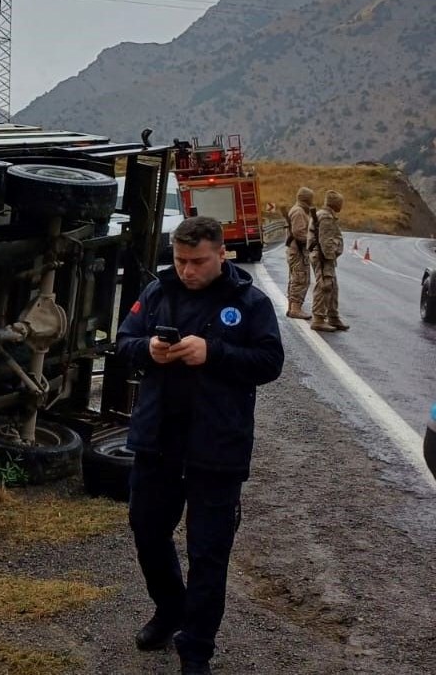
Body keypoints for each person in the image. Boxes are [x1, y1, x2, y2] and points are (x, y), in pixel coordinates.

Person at [117, 217, 283, 675]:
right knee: (147, 532)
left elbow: (270, 362)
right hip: (158, 442)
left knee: (208, 552)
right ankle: (169, 608)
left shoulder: (249, 303)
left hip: (217, 448)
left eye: (198, 262)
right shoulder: (158, 293)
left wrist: (215, 353)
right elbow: (122, 342)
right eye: (180, 260)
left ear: (221, 255)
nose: (187, 270)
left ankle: (196, 650)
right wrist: (146, 348)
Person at [308, 190, 347, 332]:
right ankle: (318, 319)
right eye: (340, 202)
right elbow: (326, 241)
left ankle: (333, 316)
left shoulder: (325, 215)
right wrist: (330, 258)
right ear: (335, 203)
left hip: (324, 256)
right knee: (324, 286)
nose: (341, 205)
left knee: (332, 286)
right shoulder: (325, 217)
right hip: (324, 257)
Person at [284, 186, 315, 319]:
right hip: (298, 251)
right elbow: (299, 232)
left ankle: (292, 307)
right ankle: (295, 308)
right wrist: (312, 241)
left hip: (296, 250)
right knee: (300, 279)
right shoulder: (299, 212)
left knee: (296, 279)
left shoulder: (299, 210)